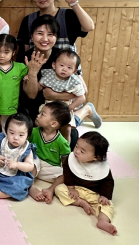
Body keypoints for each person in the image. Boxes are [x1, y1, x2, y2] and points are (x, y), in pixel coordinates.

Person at [20, 15, 96, 148]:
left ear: (56, 37)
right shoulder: (25, 58)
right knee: (30, 139)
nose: (45, 39)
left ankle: (84, 111)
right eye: (40, 33)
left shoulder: (64, 57)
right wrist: (32, 72)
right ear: (32, 36)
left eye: (50, 34)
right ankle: (84, 112)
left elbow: (83, 91)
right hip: (34, 108)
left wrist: (56, 95)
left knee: (71, 140)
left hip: (59, 108)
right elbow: (31, 95)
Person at [48, 132, 117, 235]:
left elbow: (108, 182)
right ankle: (81, 202)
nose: (76, 151)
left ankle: (103, 221)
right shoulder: (71, 159)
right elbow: (67, 173)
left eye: (82, 151)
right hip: (76, 190)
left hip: (94, 194)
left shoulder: (101, 168)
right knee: (59, 189)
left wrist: (104, 196)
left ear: (95, 157)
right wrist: (71, 188)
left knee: (108, 205)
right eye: (76, 146)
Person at [17, 0, 94, 54]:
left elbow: (89, 27)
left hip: (66, 62)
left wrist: (74, 3)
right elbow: (25, 49)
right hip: (37, 62)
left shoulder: (68, 15)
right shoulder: (28, 20)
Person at [38, 49, 101, 128]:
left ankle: (87, 110)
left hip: (65, 106)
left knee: (68, 127)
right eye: (61, 65)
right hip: (49, 105)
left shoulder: (74, 82)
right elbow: (39, 87)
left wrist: (69, 108)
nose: (64, 69)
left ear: (74, 71)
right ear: (54, 65)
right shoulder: (48, 75)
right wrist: (30, 77)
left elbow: (82, 98)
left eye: (69, 67)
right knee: (42, 123)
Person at [28, 102, 71, 202]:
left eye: (42, 114)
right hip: (34, 164)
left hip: (49, 168)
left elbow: (66, 162)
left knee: (66, 175)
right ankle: (31, 187)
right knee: (32, 161)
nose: (38, 115)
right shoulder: (33, 132)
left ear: (53, 123)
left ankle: (50, 190)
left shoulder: (62, 142)